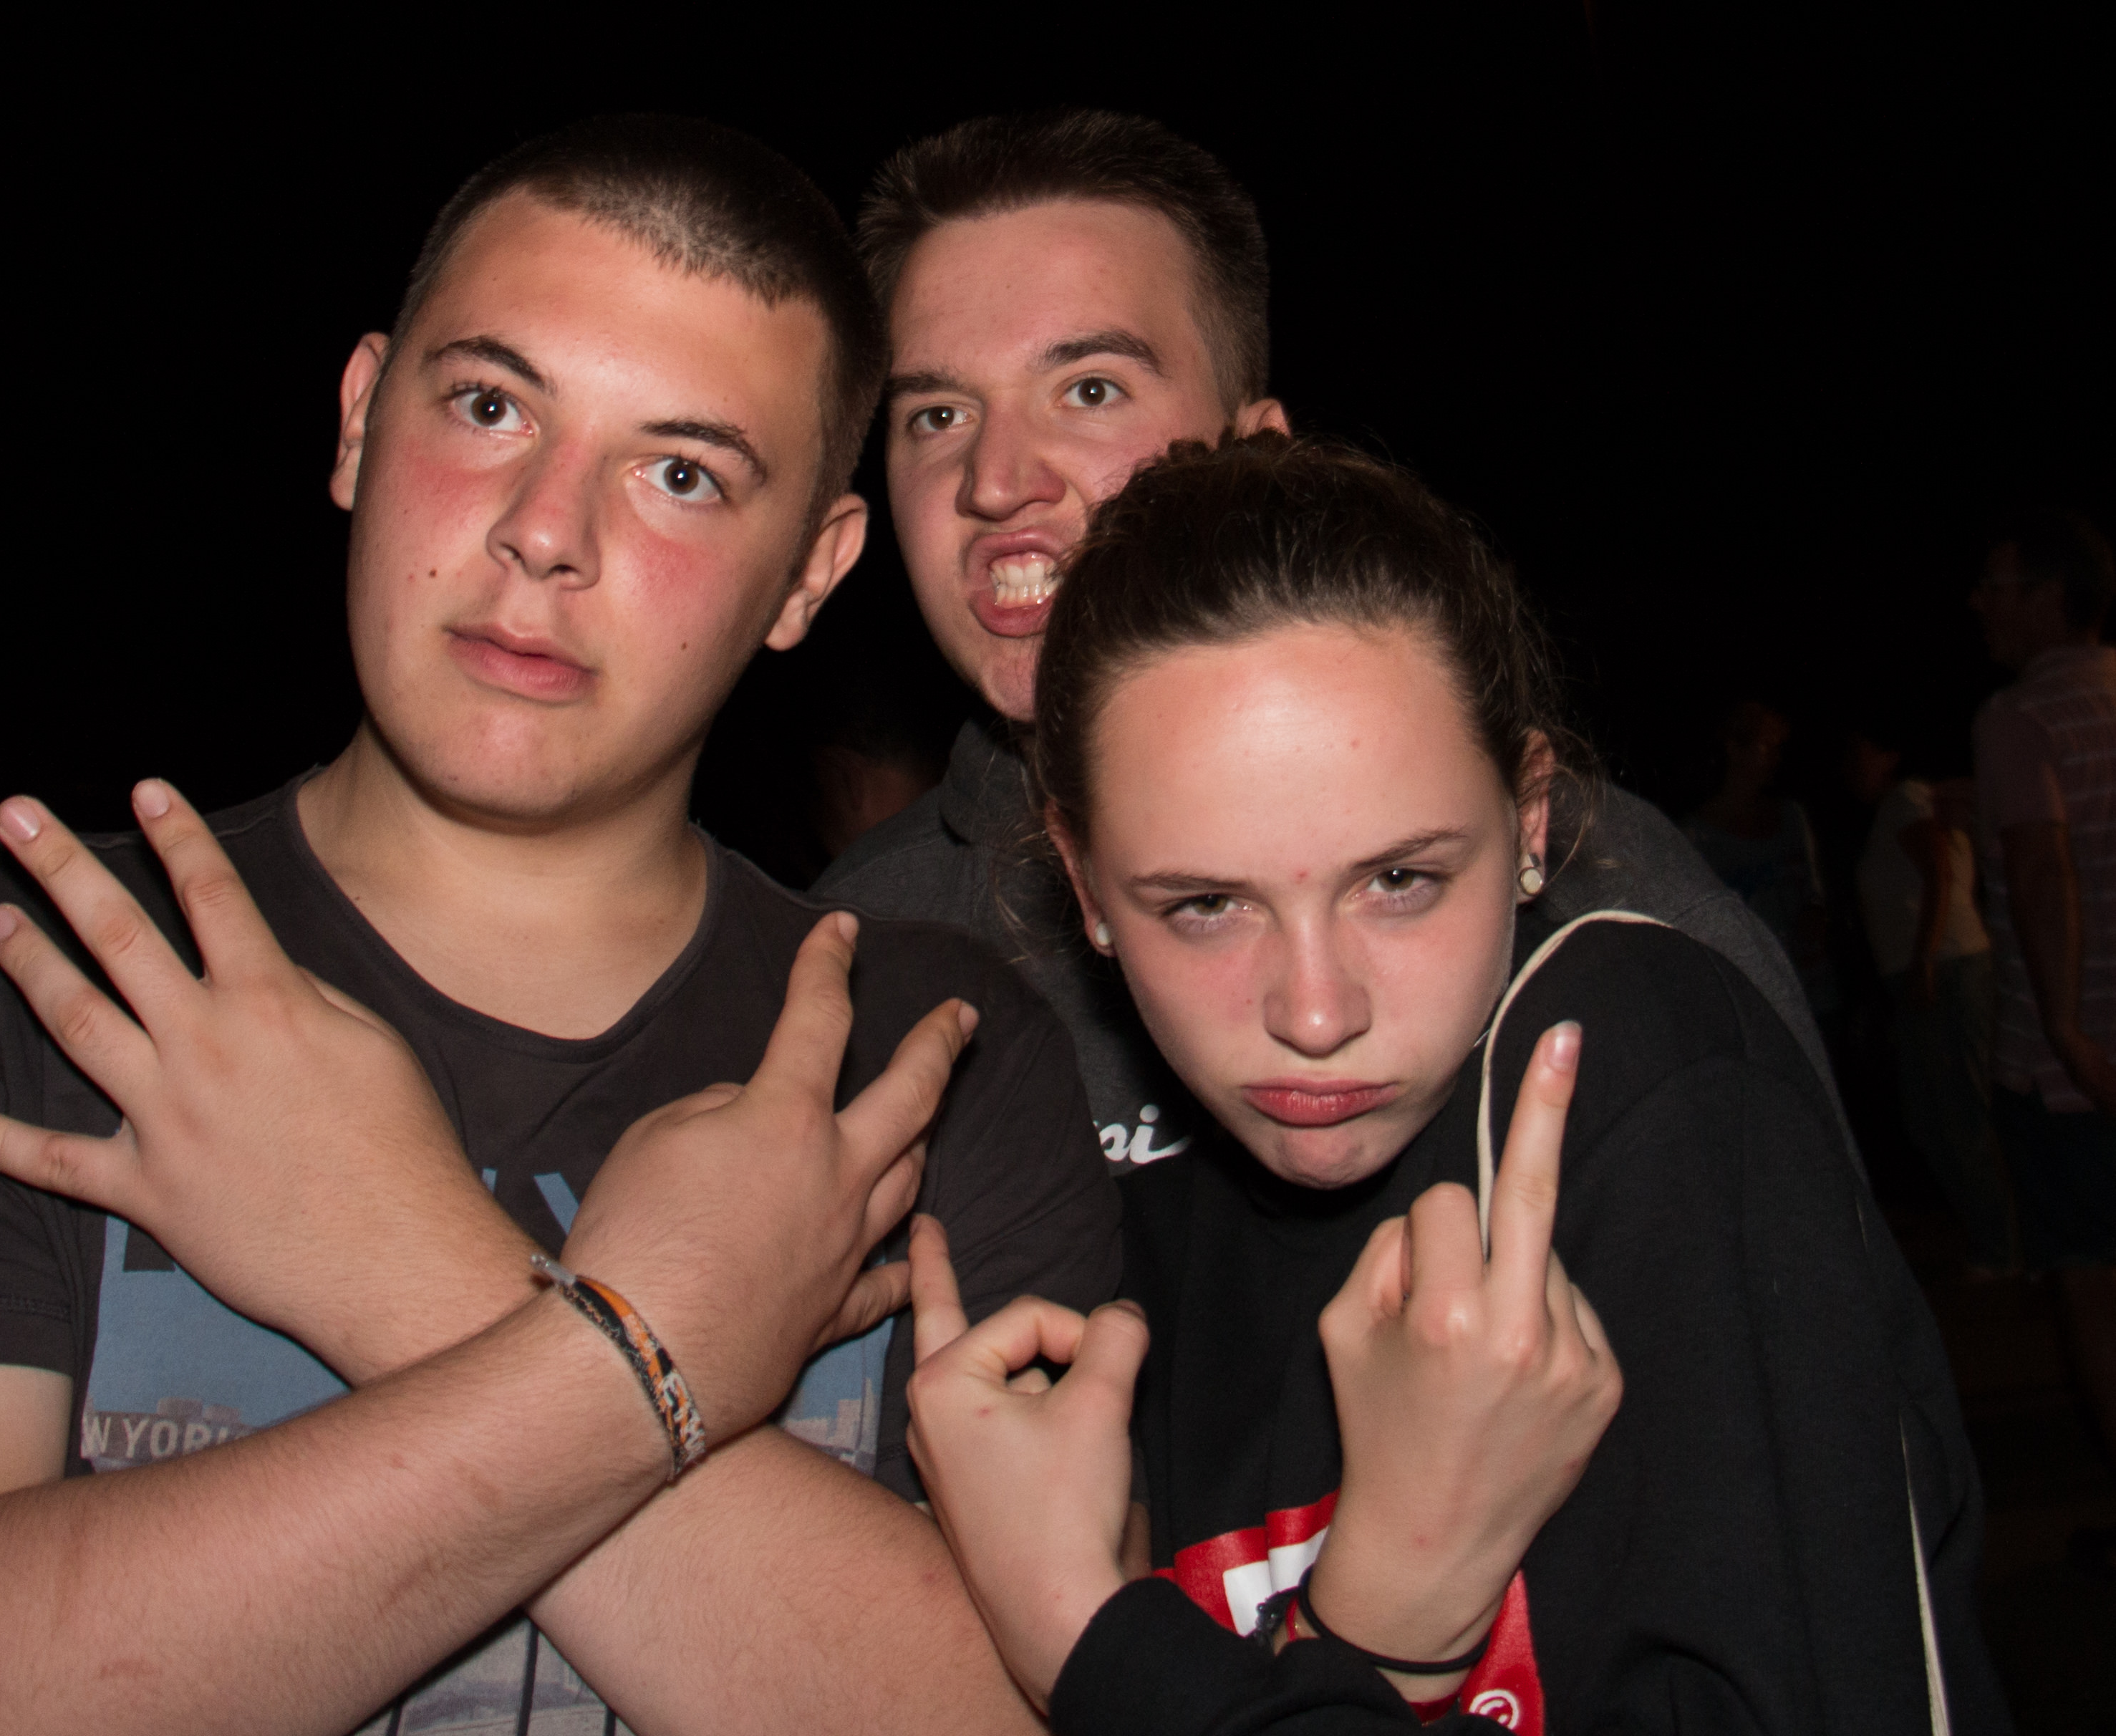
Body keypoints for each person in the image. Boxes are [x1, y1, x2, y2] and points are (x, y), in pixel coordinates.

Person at [0, 116, 1122, 1736]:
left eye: (680, 473)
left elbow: (1049, 1711)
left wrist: (399, 1256)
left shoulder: (926, 1052)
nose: (546, 530)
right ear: (362, 418)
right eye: (491, 406)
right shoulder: (29, 958)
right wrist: (646, 1355)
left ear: (808, 571)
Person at [904, 435, 2006, 1733]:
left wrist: (1086, 1636)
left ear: (1529, 817)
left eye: (1399, 880)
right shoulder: (1130, 1285)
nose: (1316, 1013)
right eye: (1204, 905)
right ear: (1086, 884)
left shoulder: (1641, 1081)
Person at [814, 108, 1842, 1177]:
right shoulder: (850, 950)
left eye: (1090, 390)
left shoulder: (1613, 912)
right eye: (937, 415)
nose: (992, 482)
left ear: (1254, 451)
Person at [1967, 506, 2116, 1551]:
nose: (1979, 603)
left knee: (2094, 1284)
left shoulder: (2020, 718)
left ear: (2051, 598)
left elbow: (2040, 864)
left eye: (1998, 586)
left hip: (2076, 1071)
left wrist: (2064, 1029)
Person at [1843, 717, 2014, 1271]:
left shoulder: (1905, 801)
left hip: (1944, 969)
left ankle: (2003, 1248)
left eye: (1860, 752)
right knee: (1928, 1116)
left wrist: (1924, 961)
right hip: (1930, 970)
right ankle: (1993, 1234)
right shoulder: (1909, 806)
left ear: (1888, 755)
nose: (1850, 768)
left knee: (1958, 1113)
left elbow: (1939, 873)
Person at [1686, 700, 1837, 1018]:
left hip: (1812, 991)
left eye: (1779, 748)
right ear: (1734, 748)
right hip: (1756, 1000)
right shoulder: (1697, 839)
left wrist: (1815, 916)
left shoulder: (1792, 818)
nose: (1776, 758)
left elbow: (1817, 893)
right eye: (1766, 747)